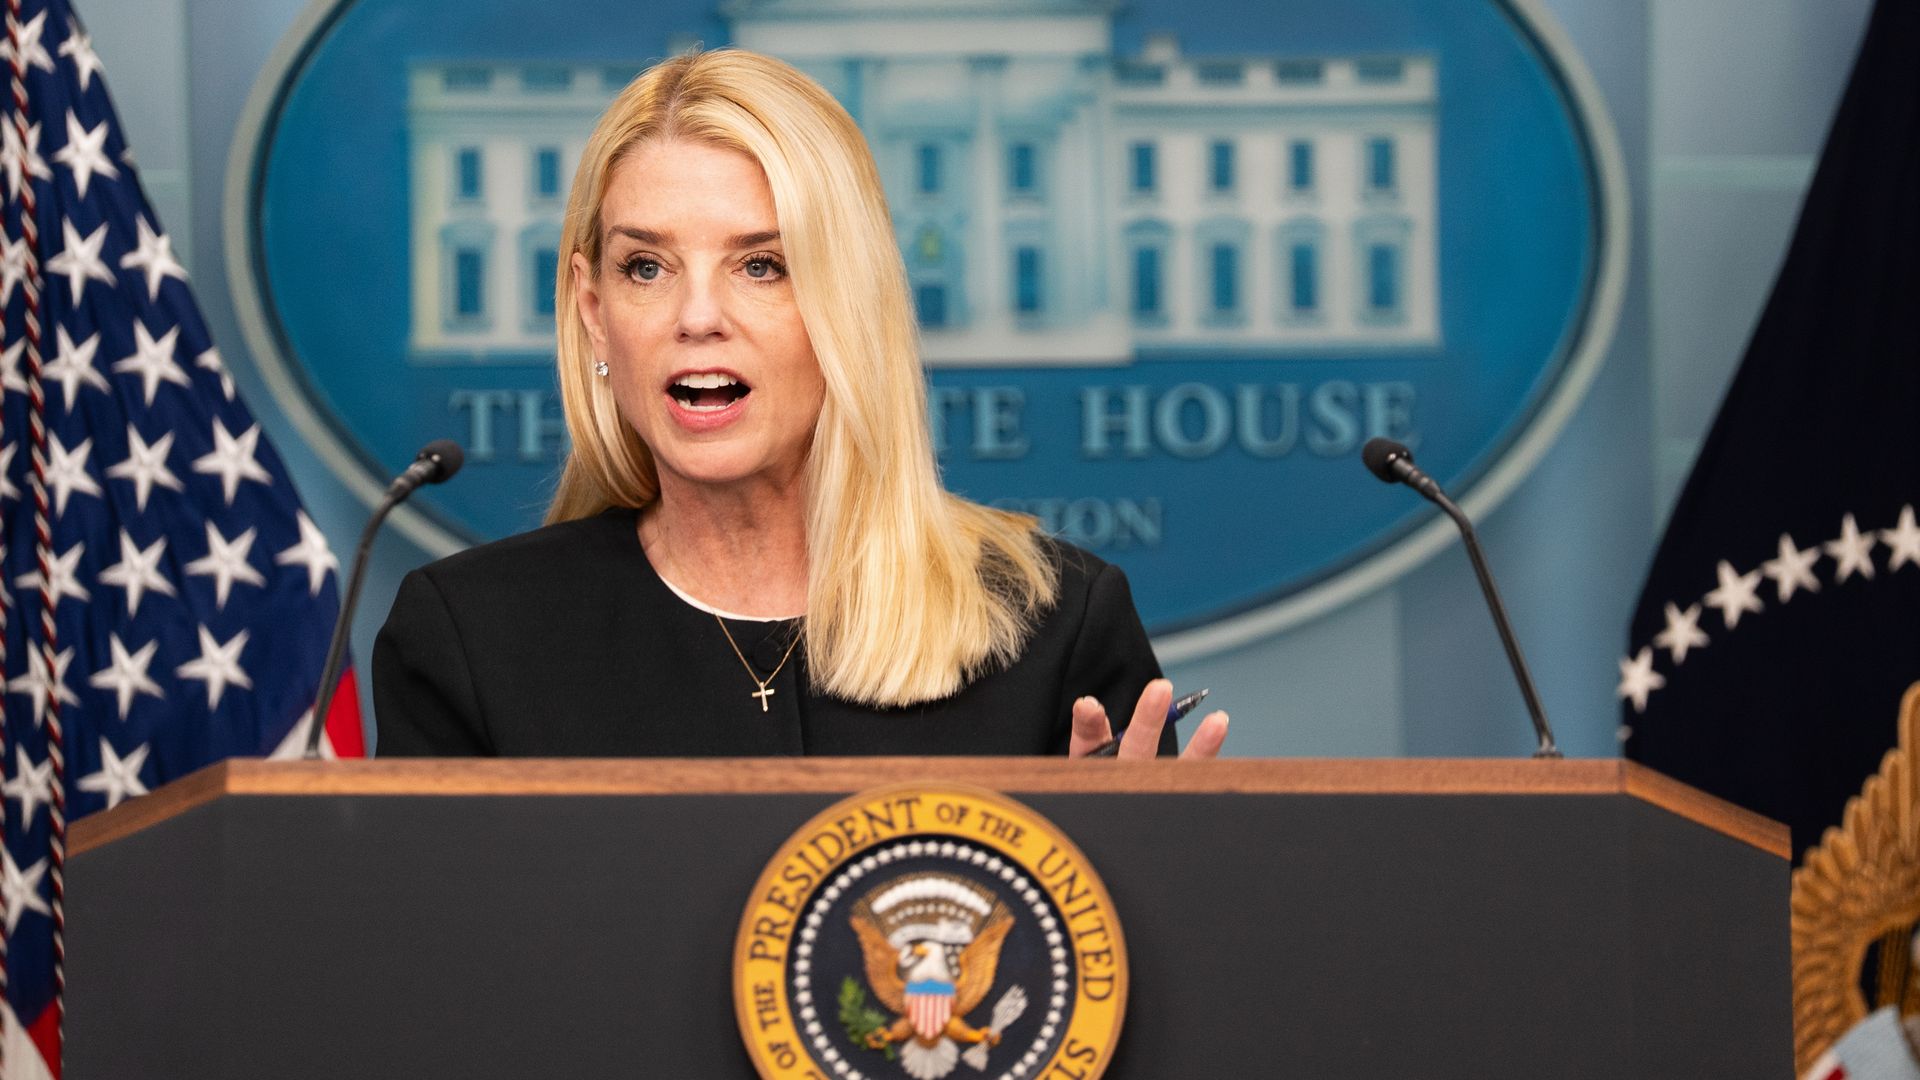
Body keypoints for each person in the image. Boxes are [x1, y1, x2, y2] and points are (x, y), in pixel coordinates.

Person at [372, 49, 1228, 759]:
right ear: (594, 313)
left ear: (848, 303)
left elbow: (1152, 954)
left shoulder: (1054, 625)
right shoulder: (470, 638)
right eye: (646, 267)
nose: (696, 317)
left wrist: (1118, 869)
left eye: (761, 265)